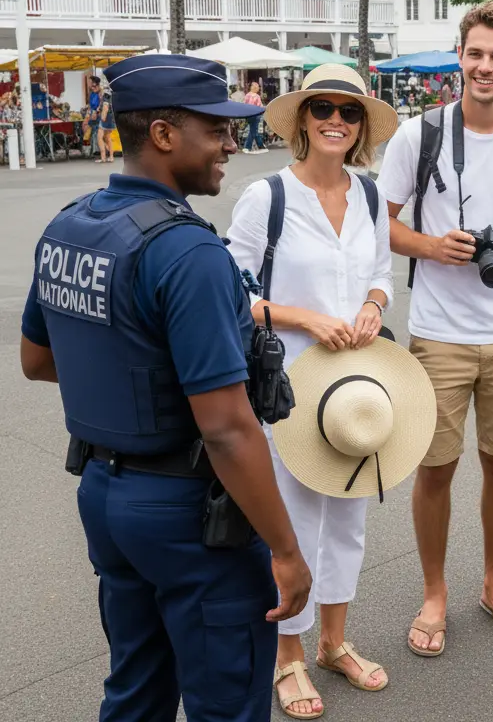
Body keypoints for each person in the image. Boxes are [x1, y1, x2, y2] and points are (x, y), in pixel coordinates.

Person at [20, 54, 312, 722]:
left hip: (106, 497)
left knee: (135, 691)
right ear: (162, 134)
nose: (231, 146)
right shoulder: (190, 253)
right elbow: (227, 427)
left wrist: (137, 373)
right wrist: (288, 552)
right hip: (189, 512)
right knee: (227, 704)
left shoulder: (69, 223)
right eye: (216, 130)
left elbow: (38, 359)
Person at [376, 0, 493, 655]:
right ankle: (434, 594)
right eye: (476, 53)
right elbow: (381, 223)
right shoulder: (419, 135)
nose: (486, 66)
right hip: (439, 332)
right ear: (461, 57)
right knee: (435, 470)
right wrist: (431, 246)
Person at [226, 65, 398, 719]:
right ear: (301, 119)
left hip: (354, 387)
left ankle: (333, 642)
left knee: (349, 514)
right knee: (292, 522)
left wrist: (374, 307)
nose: (335, 119)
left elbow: (380, 272)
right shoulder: (265, 197)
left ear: (359, 128)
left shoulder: (371, 196)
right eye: (322, 107)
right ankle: (287, 658)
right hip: (286, 385)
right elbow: (233, 294)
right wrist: (306, 318)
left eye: (348, 112)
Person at [243, 81, 267, 153]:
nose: (258, 89)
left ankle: (261, 146)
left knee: (254, 130)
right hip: (256, 115)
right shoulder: (257, 96)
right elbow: (260, 106)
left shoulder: (247, 95)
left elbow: (244, 105)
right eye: (257, 87)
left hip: (249, 115)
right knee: (253, 131)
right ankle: (247, 147)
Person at [96, 88, 116, 163]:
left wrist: (103, 117)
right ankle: (111, 157)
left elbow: (105, 107)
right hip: (112, 118)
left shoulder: (105, 96)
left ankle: (103, 157)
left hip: (106, 118)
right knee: (107, 137)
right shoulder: (110, 94)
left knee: (99, 137)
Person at [86, 74, 103, 161]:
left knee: (99, 134)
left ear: (97, 84)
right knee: (91, 132)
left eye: (93, 85)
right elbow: (90, 104)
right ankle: (93, 151)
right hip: (92, 114)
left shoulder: (100, 93)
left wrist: (97, 111)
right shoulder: (91, 93)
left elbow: (101, 104)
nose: (92, 87)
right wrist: (89, 112)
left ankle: (101, 153)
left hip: (99, 115)